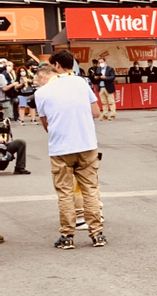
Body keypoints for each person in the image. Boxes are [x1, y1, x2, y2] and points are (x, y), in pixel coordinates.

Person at [34, 52, 106, 249]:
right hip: (87, 144)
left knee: (65, 192)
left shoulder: (42, 92)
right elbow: (96, 112)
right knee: (90, 189)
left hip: (60, 147)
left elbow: (45, 123)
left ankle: (67, 236)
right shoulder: (82, 83)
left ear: (56, 65)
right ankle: (97, 233)